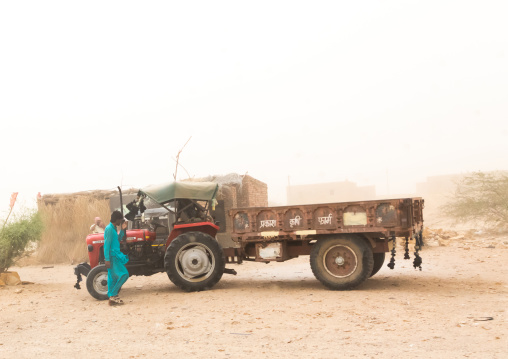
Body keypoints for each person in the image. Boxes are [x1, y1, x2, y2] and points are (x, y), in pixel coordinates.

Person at [104, 210, 129, 306]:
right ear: (117, 219)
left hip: (115, 255)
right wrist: (107, 259)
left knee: (113, 278)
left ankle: (112, 299)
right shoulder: (109, 229)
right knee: (124, 274)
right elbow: (107, 245)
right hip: (113, 257)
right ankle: (113, 294)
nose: (121, 222)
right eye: (120, 220)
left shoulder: (113, 228)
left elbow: (117, 240)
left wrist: (122, 230)